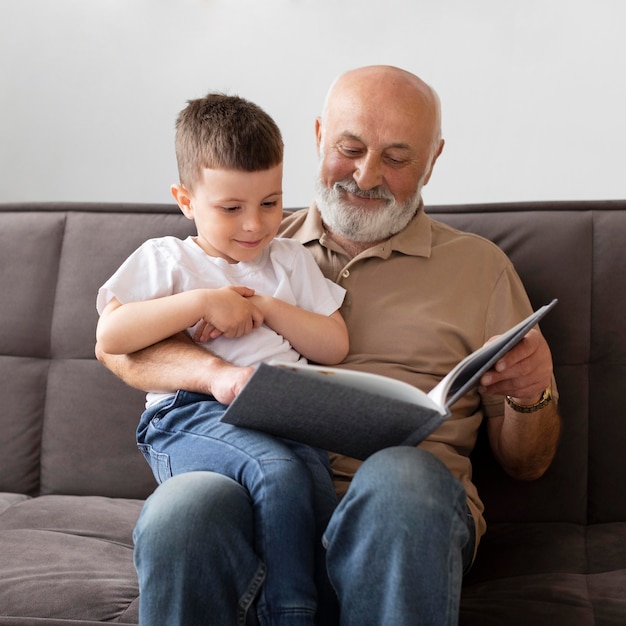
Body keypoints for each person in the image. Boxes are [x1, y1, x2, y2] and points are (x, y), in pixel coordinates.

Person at [96, 66, 561, 626]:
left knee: (400, 476)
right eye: (350, 148)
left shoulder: (480, 269)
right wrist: (214, 373)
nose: (366, 175)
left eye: (396, 158)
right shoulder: (255, 243)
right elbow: (119, 350)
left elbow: (528, 464)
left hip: (407, 515)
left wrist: (530, 396)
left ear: (433, 160)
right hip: (254, 494)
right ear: (319, 137)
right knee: (182, 509)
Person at [96, 93, 349, 626]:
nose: (255, 225)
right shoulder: (168, 259)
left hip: (287, 416)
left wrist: (265, 307)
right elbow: (112, 334)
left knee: (319, 501)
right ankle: (290, 615)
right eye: (231, 208)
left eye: (271, 203)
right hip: (190, 416)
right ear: (185, 200)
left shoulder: (289, 261)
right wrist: (200, 302)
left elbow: (334, 344)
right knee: (274, 472)